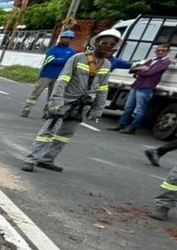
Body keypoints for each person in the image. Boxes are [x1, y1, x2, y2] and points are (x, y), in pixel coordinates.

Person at [20, 28, 118, 173]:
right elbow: (62, 80)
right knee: (48, 132)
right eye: (105, 43)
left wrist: (98, 108)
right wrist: (56, 101)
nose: (108, 47)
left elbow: (103, 88)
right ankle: (31, 160)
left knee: (64, 135)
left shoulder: (106, 65)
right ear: (97, 43)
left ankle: (47, 159)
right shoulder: (78, 58)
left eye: (112, 45)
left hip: (82, 106)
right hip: (65, 102)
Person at [109, 44, 171, 134]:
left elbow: (149, 73)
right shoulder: (151, 60)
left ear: (168, 52)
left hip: (146, 87)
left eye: (163, 50)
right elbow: (132, 70)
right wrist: (140, 69)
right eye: (158, 50)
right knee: (128, 107)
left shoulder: (165, 62)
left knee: (140, 109)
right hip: (136, 85)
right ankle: (121, 124)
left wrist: (139, 71)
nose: (160, 52)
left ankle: (133, 127)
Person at [21, 30, 77, 117]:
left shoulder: (71, 51)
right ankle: (26, 110)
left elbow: (71, 63)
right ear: (61, 38)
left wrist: (59, 60)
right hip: (46, 75)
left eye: (70, 39)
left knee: (52, 96)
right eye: (65, 38)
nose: (67, 40)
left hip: (59, 77)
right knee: (35, 93)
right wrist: (64, 60)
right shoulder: (53, 49)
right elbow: (50, 60)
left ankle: (47, 112)